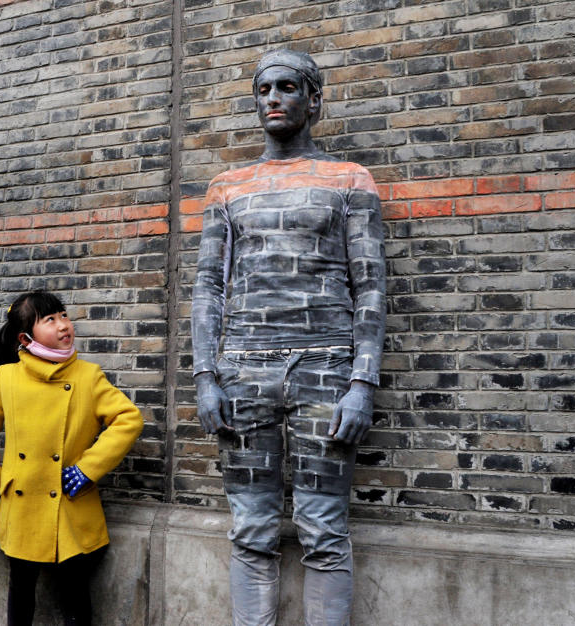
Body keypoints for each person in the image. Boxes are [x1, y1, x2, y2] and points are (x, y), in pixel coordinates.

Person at [191, 49, 386, 626]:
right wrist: (205, 376)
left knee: (323, 528)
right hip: (243, 372)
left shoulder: (349, 179)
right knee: (252, 528)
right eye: (263, 89)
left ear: (313, 100)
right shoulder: (227, 186)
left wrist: (361, 383)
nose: (273, 97)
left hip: (325, 369)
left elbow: (371, 286)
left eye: (287, 87)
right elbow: (207, 287)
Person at [0, 290, 143, 626]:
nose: (63, 325)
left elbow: (128, 419)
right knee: (20, 593)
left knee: (75, 594)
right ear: (25, 337)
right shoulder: (9, 377)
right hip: (21, 507)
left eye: (63, 315)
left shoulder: (87, 376)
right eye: (50, 319)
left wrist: (88, 469)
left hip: (69, 505)